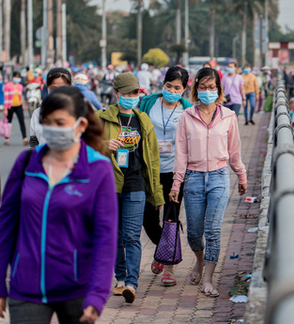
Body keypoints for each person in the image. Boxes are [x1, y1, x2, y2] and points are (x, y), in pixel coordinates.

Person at [0, 87, 117, 323]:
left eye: (60, 123)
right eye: (47, 123)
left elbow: (105, 236)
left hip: (77, 290)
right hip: (26, 288)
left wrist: (97, 295)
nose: (52, 129)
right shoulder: (26, 163)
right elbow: (5, 226)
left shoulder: (98, 169)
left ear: (81, 125)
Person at [169, 67, 247, 297]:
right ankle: (200, 261)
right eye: (203, 87)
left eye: (212, 87)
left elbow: (235, 152)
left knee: (213, 230)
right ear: (195, 89)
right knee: (194, 233)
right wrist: (176, 183)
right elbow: (181, 152)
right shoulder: (186, 116)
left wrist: (241, 176)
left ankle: (210, 279)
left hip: (219, 177)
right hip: (192, 178)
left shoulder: (229, 116)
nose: (207, 91)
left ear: (219, 89)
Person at [96, 73, 164, 303]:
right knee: (115, 235)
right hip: (109, 185)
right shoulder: (101, 118)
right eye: (126, 93)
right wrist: (104, 145)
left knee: (132, 236)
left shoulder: (143, 120)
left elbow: (153, 160)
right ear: (116, 94)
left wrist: (157, 194)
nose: (131, 97)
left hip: (136, 184)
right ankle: (121, 278)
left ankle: (132, 284)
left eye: (135, 93)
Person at [139, 66, 192, 286]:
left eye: (176, 87)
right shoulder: (148, 103)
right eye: (168, 86)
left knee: (171, 218)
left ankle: (169, 267)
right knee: (148, 218)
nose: (171, 90)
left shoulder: (188, 111)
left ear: (184, 88)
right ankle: (165, 250)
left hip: (175, 171)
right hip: (150, 169)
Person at [30, 68, 72, 147]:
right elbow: (33, 144)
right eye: (54, 88)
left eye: (63, 88)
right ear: (48, 87)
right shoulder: (37, 114)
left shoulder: (79, 112)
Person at [3, 71, 28, 146]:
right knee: (8, 123)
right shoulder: (8, 86)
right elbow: (6, 98)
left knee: (22, 121)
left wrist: (23, 104)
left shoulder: (20, 86)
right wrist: (5, 109)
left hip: (18, 106)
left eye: (18, 77)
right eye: (16, 77)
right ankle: (6, 139)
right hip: (10, 106)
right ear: (13, 77)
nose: (17, 79)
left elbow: (22, 96)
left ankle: (25, 138)